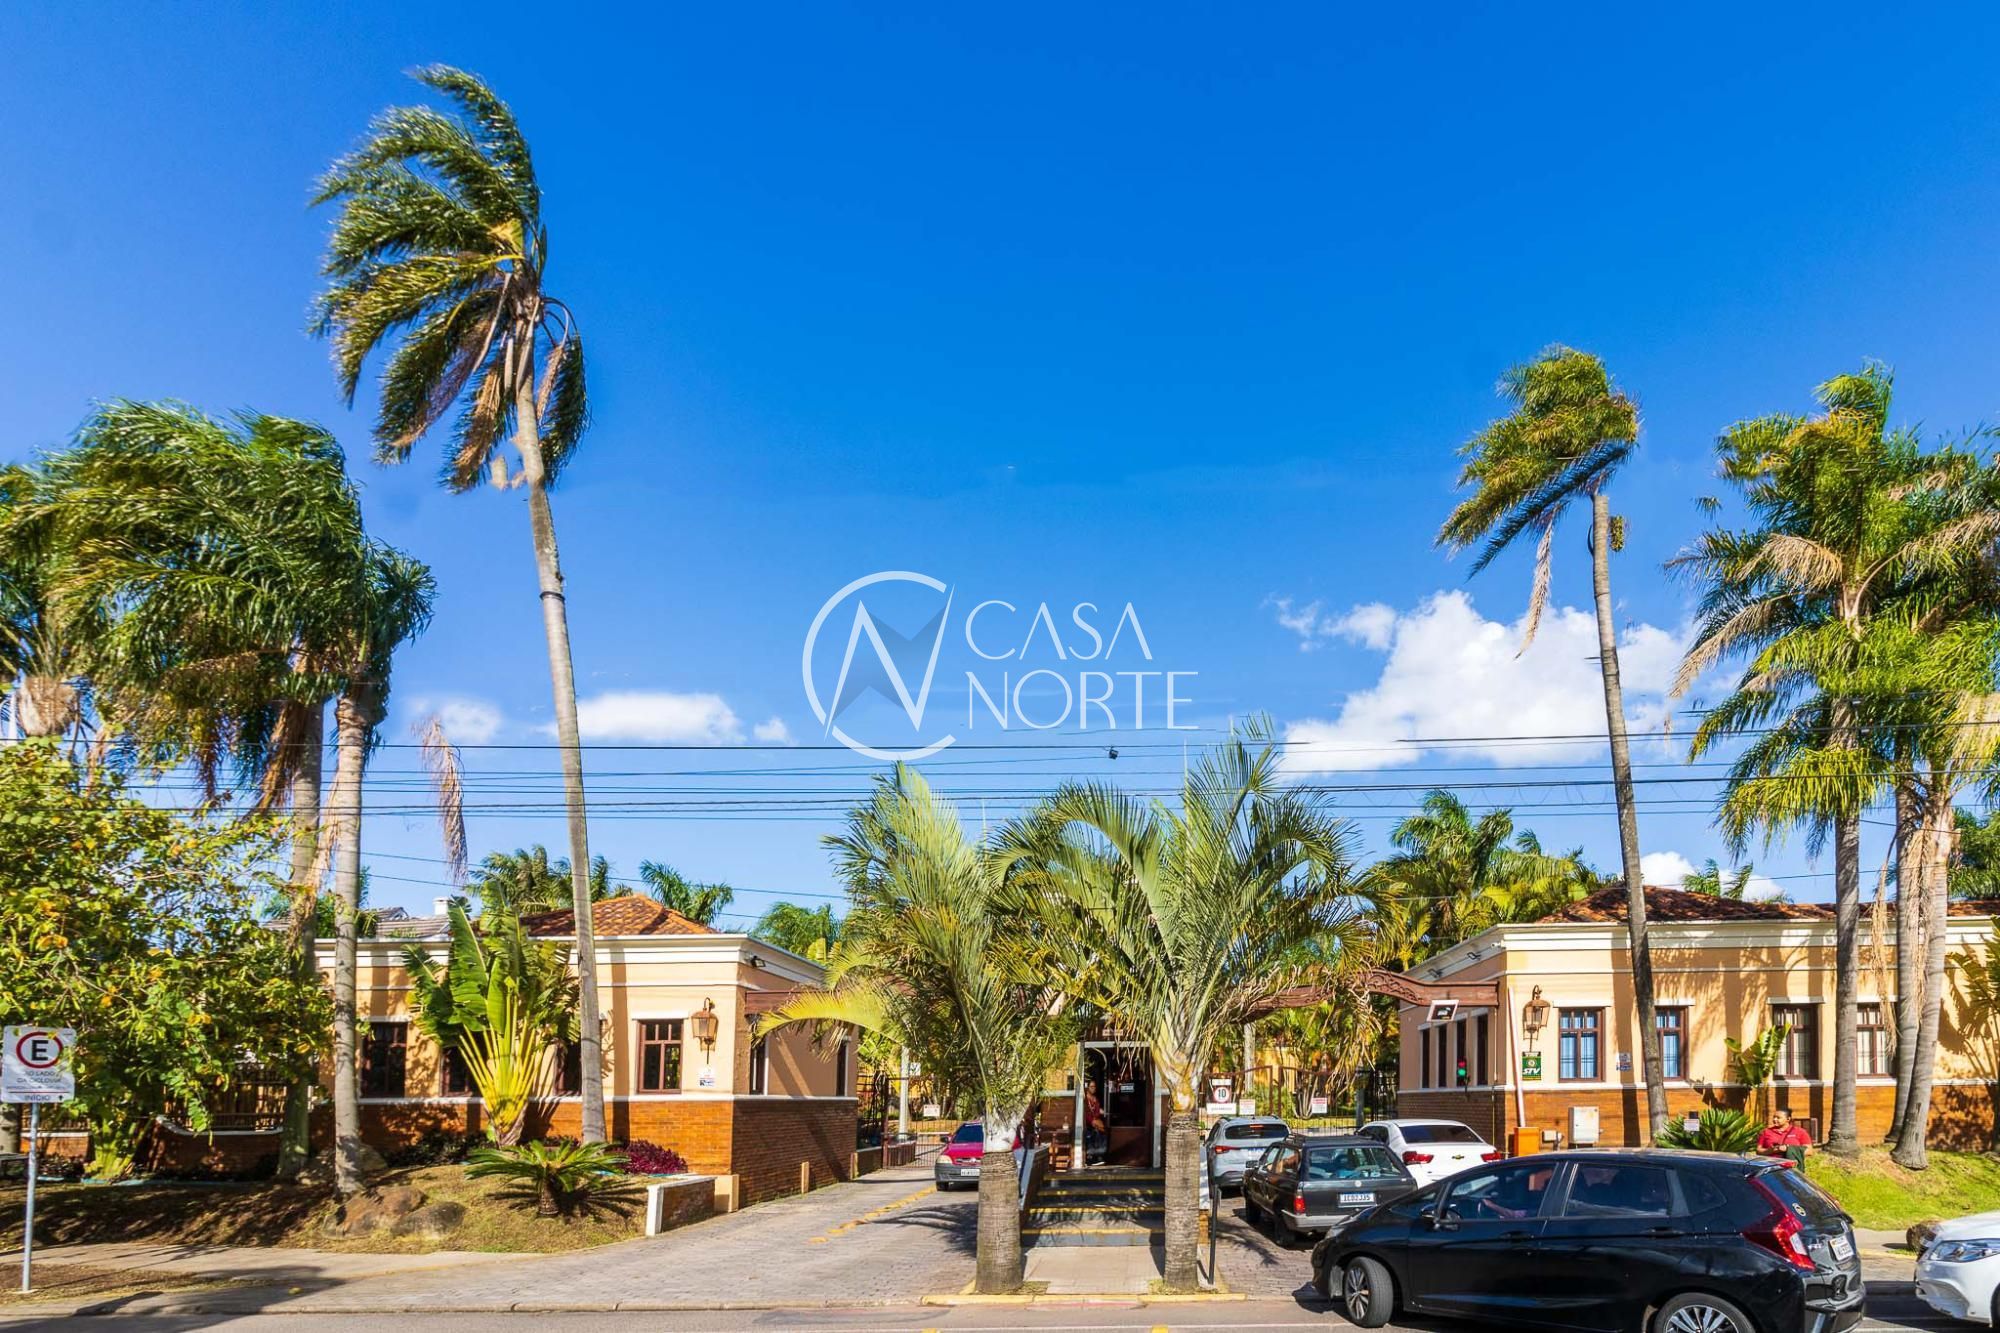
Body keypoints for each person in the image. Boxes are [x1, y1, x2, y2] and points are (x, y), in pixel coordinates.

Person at [1083, 1085, 1108, 1165]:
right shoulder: (1084, 1099)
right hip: (1088, 1123)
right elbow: (1085, 1112)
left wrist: (1098, 1114)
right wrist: (1091, 1121)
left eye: (1094, 1087)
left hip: (1095, 1122)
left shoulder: (1095, 1099)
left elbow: (1097, 1112)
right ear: (1087, 1088)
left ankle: (1099, 1156)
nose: (1094, 1088)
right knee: (1092, 1134)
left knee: (1101, 1133)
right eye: (1092, 1086)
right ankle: (1091, 1157)